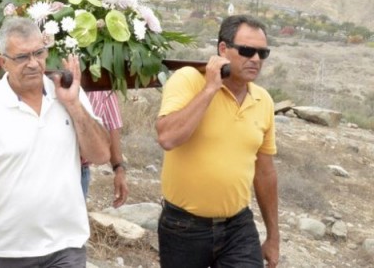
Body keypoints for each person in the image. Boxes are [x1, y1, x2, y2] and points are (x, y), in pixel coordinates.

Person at [0, 18, 111, 267]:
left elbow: (102, 154)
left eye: (38, 53)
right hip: (5, 252)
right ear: (3, 62)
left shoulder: (69, 93)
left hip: (65, 247)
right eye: (22, 57)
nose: (33, 64)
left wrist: (73, 105)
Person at [155, 15, 279, 268]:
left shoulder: (263, 100)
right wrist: (210, 89)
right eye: (246, 50)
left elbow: (265, 173)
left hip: (238, 226)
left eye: (262, 53)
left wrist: (273, 236)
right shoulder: (189, 79)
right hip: (183, 227)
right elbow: (167, 137)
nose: (255, 59)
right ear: (223, 49)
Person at [81, 90, 129, 207]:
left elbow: (111, 126)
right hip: (49, 168)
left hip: (81, 172)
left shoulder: (104, 88)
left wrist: (119, 170)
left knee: (71, 223)